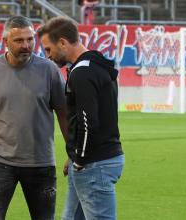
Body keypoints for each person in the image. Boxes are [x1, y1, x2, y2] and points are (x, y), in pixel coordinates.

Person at [0, 16, 67, 220]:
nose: (26, 45)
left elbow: (63, 113)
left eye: (30, 39)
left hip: (41, 162)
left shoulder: (50, 70)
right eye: (19, 40)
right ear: (5, 42)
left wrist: (73, 153)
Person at [38, 17, 125, 220]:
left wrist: (81, 159)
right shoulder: (97, 64)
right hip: (97, 159)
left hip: (94, 164)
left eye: (48, 49)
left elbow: (88, 122)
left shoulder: (82, 72)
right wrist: (75, 154)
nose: (47, 56)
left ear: (62, 42)